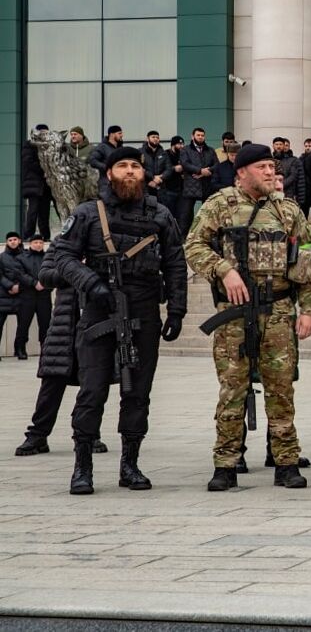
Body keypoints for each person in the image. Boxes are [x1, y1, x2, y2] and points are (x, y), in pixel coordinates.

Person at [184, 144, 311, 492]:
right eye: (262, 167)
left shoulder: (287, 210)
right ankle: (226, 462)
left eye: (272, 166)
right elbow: (193, 246)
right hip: (234, 315)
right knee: (233, 388)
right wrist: (223, 269)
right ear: (241, 172)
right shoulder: (220, 205)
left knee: (281, 389)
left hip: (277, 311)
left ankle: (286, 461)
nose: (271, 172)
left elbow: (305, 260)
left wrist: (307, 310)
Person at [54, 147, 187, 494]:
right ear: (109, 173)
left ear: (144, 174)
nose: (130, 171)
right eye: (122, 166)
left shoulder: (160, 214)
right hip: (99, 310)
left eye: (135, 166)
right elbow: (62, 257)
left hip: (143, 310)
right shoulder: (87, 213)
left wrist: (177, 310)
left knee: (137, 391)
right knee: (92, 390)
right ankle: (82, 466)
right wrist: (91, 284)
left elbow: (175, 262)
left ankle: (130, 464)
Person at [14, 235, 109, 457]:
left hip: (96, 321)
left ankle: (88, 433)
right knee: (51, 383)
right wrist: (77, 272)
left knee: (93, 384)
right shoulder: (62, 242)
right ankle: (37, 435)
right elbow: (45, 276)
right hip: (64, 324)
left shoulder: (104, 241)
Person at [0, 232, 51, 360]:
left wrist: (46, 284)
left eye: (40, 242)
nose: (38, 244)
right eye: (35, 242)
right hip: (27, 295)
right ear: (30, 244)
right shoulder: (22, 257)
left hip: (44, 296)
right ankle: (20, 348)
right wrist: (34, 283)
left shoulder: (48, 258)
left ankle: (45, 349)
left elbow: (53, 273)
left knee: (45, 324)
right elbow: (20, 274)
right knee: (23, 324)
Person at [178, 127, 219, 235]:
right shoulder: (185, 150)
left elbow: (216, 164)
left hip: (206, 185)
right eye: (198, 135)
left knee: (209, 213)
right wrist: (200, 170)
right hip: (190, 185)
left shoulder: (210, 150)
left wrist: (208, 171)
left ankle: (208, 236)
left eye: (202, 135)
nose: (200, 137)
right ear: (192, 136)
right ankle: (184, 239)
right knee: (186, 215)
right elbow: (185, 164)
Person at [21, 125, 52, 241]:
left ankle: (45, 236)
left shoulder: (47, 146)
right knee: (33, 211)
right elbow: (28, 162)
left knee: (45, 212)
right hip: (34, 183)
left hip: (45, 185)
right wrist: (44, 170)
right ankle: (28, 235)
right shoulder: (29, 145)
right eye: (43, 133)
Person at [88, 126, 124, 197]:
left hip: (119, 185)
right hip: (106, 185)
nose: (122, 135)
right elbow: (92, 160)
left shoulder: (121, 148)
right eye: (119, 133)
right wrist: (107, 167)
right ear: (111, 134)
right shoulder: (102, 147)